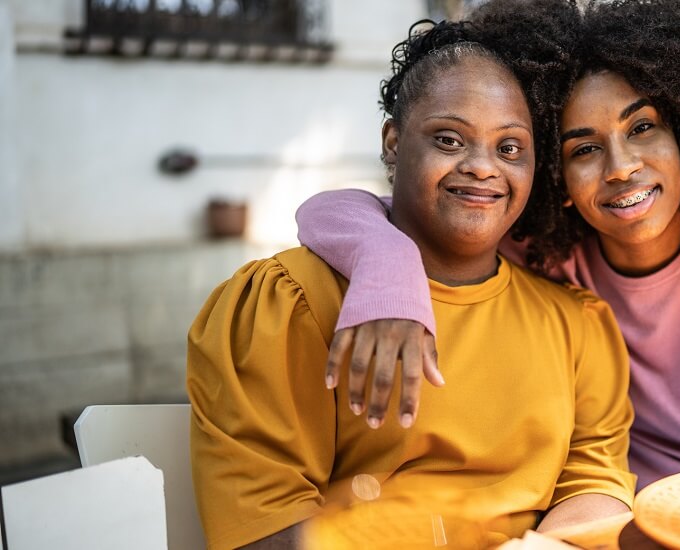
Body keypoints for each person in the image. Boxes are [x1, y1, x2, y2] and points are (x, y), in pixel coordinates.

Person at [296, 0, 680, 490]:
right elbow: (333, 212)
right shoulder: (548, 250)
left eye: (642, 127)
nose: (621, 168)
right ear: (557, 178)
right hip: (612, 514)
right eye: (584, 150)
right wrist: (388, 269)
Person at [187, 20, 634, 549]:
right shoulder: (290, 302)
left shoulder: (575, 324)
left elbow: (594, 483)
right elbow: (262, 524)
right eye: (449, 139)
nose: (482, 167)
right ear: (394, 142)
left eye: (510, 148)